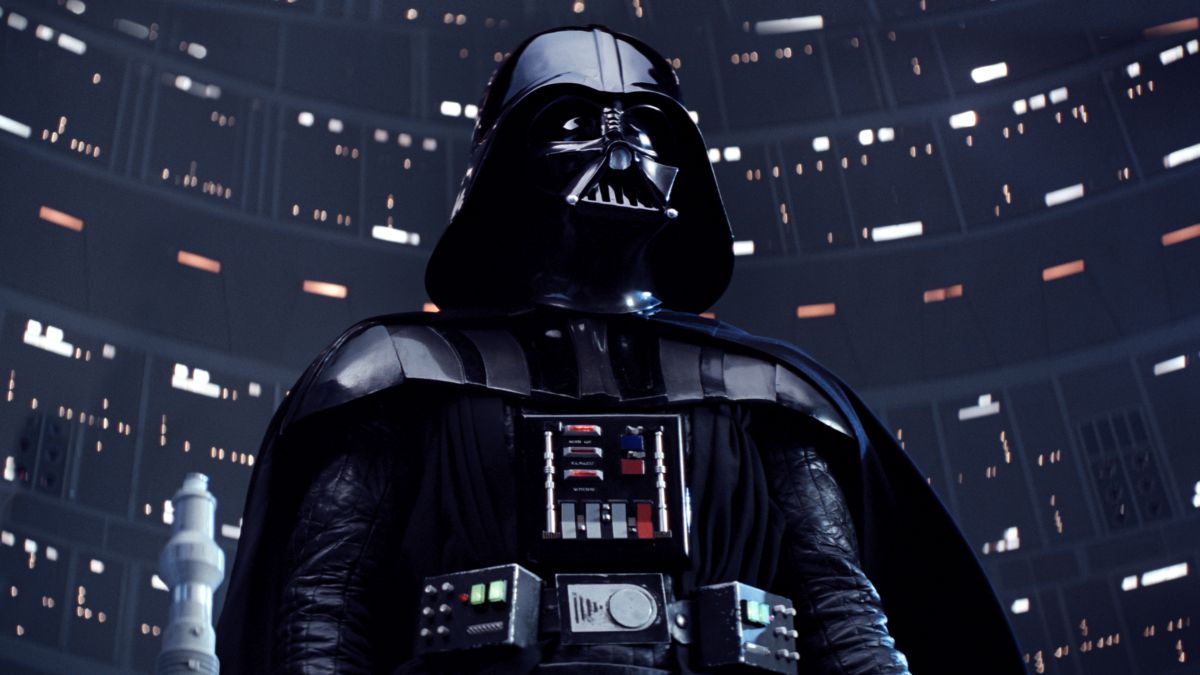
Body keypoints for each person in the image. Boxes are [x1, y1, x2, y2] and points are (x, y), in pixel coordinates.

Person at [217, 25, 1023, 675]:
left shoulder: (770, 392)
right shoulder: (399, 374)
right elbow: (326, 611)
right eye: (572, 123)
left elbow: (847, 621)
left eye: (647, 126)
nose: (621, 149)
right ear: (506, 164)